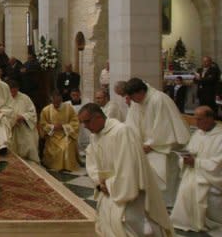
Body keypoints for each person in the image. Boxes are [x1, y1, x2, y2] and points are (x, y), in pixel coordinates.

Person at [78, 103, 174, 237]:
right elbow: (92, 162)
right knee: (107, 221)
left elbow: (128, 167)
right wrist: (99, 183)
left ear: (98, 117)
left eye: (87, 122)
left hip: (128, 191)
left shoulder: (122, 131)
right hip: (108, 189)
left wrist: (109, 184)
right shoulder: (95, 136)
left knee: (132, 225)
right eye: (82, 123)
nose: (85, 127)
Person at [125, 77, 191, 207]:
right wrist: (133, 141)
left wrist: (151, 144)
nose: (132, 101)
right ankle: (151, 199)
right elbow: (132, 122)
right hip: (144, 145)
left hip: (163, 145)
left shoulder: (159, 99)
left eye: (133, 97)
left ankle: (167, 201)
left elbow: (164, 126)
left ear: (140, 92)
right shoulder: (136, 102)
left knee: (165, 173)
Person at [171, 106, 222, 232]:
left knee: (195, 187)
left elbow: (218, 162)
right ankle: (185, 221)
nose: (196, 123)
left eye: (199, 119)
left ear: (210, 118)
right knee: (186, 186)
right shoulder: (198, 134)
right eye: (195, 119)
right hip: (195, 171)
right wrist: (185, 158)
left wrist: (197, 162)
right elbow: (190, 150)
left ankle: (199, 221)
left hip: (210, 176)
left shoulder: (220, 136)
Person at [39, 90, 79, 171]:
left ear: (61, 100)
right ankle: (52, 165)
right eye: (54, 102)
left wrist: (64, 127)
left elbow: (75, 122)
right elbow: (42, 124)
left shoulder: (69, 108)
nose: (56, 104)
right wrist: (52, 127)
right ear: (51, 100)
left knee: (66, 146)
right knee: (56, 149)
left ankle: (67, 166)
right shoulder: (46, 110)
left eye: (58, 102)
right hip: (52, 135)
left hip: (66, 134)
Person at [7, 80, 39, 164]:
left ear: (17, 89)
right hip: (9, 128)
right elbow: (1, 112)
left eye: (15, 91)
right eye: (11, 91)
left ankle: (32, 164)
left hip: (24, 126)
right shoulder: (5, 98)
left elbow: (32, 113)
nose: (13, 94)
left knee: (30, 144)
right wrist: (12, 120)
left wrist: (23, 117)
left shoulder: (25, 98)